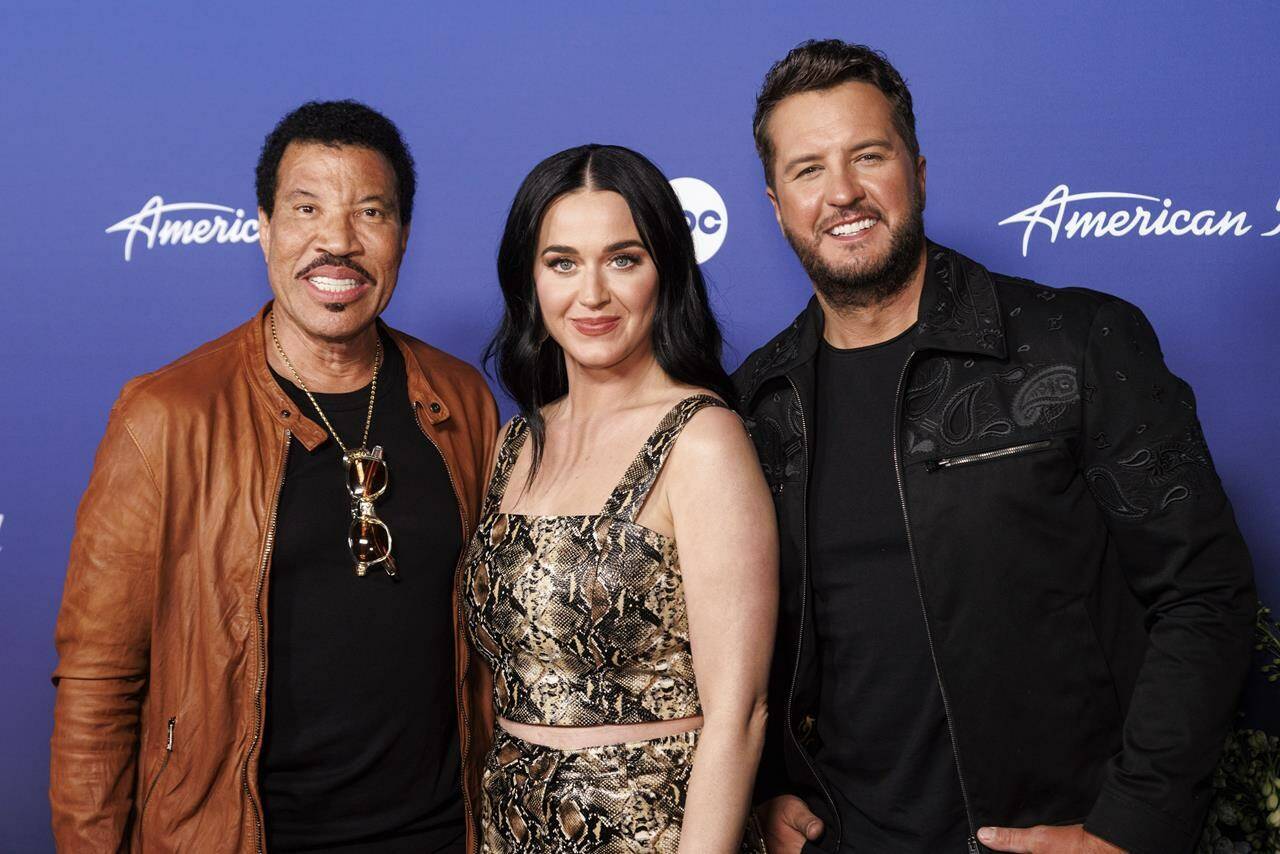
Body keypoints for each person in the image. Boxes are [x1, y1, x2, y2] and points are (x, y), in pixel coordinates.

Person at [734, 40, 1256, 854]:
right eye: (808, 170)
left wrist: (1133, 826)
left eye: (868, 155)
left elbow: (1204, 594)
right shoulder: (756, 403)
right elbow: (745, 641)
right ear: (775, 204)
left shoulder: (1075, 342)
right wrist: (764, 788)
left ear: (919, 169)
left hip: (1058, 834)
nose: (842, 192)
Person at [50, 100, 498, 852]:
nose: (337, 241)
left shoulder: (461, 399)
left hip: (440, 833)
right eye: (306, 209)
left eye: (370, 213)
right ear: (263, 227)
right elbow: (98, 682)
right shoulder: (167, 414)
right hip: (243, 836)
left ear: (402, 237)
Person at [465, 143, 776, 852]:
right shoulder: (513, 443)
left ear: (664, 271)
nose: (593, 294)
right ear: (530, 281)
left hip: (654, 832)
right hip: (510, 826)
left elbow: (741, 712)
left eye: (624, 259)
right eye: (563, 262)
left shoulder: (702, 440)